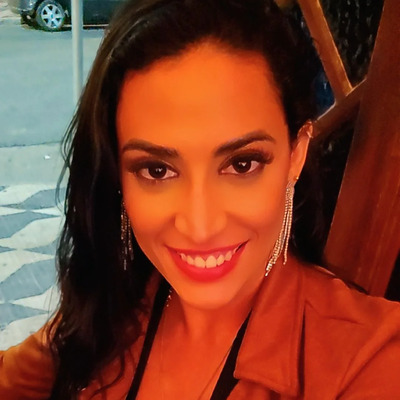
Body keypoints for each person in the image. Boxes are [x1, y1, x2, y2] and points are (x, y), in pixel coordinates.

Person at [1, 0, 400, 399]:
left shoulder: (369, 360)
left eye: (242, 164)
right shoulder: (111, 306)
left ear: (295, 155)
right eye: (157, 170)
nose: (200, 225)